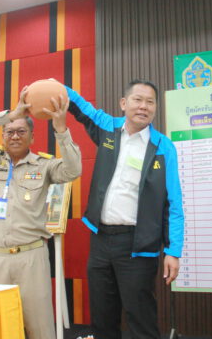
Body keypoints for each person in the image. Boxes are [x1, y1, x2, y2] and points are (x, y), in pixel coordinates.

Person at [66, 79, 184, 339]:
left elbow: (173, 202)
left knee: (141, 320)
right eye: (137, 99)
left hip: (137, 246)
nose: (143, 106)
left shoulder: (163, 147)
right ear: (123, 103)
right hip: (100, 241)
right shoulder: (108, 128)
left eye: (150, 102)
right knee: (103, 319)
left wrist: (173, 251)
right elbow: (81, 107)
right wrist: (57, 88)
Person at [0, 87, 81, 339]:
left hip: (31, 257)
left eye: (21, 131)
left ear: (32, 137)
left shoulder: (44, 165)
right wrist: (11, 114)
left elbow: (73, 170)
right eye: (9, 131)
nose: (15, 136)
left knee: (40, 327)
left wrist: (61, 130)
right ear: (2, 135)